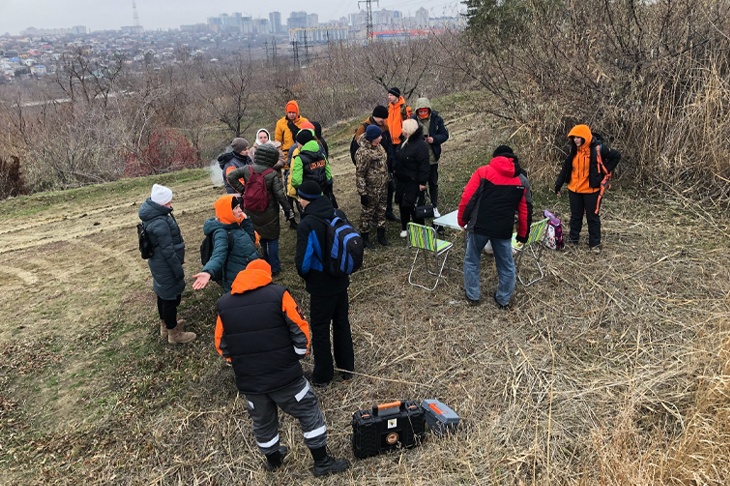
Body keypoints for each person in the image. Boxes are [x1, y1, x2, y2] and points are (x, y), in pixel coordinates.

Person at [214, 259, 350, 477]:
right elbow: (300, 329)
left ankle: (273, 460)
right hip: (285, 377)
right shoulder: (278, 295)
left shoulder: (223, 304)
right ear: (267, 275)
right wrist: (296, 357)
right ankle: (322, 462)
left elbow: (221, 345)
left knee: (263, 422)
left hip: (251, 382)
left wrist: (241, 363)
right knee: (308, 412)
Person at [295, 180, 355, 387]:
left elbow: (303, 263)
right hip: (341, 278)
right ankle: (347, 368)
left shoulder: (307, 224)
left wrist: (309, 276)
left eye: (299, 197)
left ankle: (323, 375)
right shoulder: (337, 213)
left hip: (321, 286)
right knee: (341, 323)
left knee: (320, 329)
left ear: (305, 200)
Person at [457, 148, 530, 309]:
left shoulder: (483, 172)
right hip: (503, 229)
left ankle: (473, 295)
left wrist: (462, 220)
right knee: (506, 265)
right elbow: (525, 210)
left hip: (480, 225)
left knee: (472, 260)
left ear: (495, 157)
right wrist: (522, 234)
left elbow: (467, 197)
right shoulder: (521, 180)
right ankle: (503, 299)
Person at [138, 184, 196, 344]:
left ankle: (165, 326)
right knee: (170, 298)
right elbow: (168, 250)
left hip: (158, 264)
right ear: (161, 203)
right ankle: (174, 334)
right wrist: (178, 269)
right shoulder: (160, 223)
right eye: (168, 203)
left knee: (163, 294)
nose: (170, 205)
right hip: (166, 264)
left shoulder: (153, 215)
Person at [226, 143, 293, 276]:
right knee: (273, 239)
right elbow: (280, 195)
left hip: (250, 209)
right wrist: (288, 210)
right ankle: (274, 267)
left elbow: (231, 176)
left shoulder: (247, 169)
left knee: (259, 237)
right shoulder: (272, 173)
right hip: (269, 211)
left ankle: (264, 261)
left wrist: (243, 190)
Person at [554, 124, 621, 253]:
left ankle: (594, 244)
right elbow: (566, 169)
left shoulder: (598, 149)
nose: (576, 140)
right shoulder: (572, 150)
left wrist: (604, 171)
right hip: (574, 189)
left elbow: (616, 156)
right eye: (574, 137)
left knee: (593, 217)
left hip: (592, 190)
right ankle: (573, 240)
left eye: (579, 137)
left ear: (585, 137)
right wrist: (558, 184)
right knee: (575, 216)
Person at [192, 195, 260, 293]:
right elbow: (218, 254)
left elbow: (251, 241)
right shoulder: (222, 233)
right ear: (227, 211)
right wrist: (208, 271)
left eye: (240, 207)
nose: (240, 210)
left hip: (250, 273)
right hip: (237, 278)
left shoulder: (236, 224)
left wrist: (246, 222)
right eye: (236, 208)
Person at [350, 105, 398, 221]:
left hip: (385, 163)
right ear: (375, 117)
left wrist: (391, 158)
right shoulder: (363, 128)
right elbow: (356, 149)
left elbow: (389, 143)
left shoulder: (384, 126)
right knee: (373, 193)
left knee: (388, 189)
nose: (383, 121)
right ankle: (372, 217)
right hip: (371, 167)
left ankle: (388, 211)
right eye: (382, 119)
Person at [411, 97, 449, 218]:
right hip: (418, 160)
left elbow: (444, 134)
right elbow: (405, 137)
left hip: (432, 158)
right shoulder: (412, 121)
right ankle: (420, 206)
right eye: (420, 111)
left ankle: (434, 205)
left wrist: (434, 139)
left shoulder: (436, 119)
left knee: (433, 183)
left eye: (425, 111)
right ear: (417, 111)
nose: (422, 113)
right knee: (420, 184)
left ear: (429, 110)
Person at [275, 100, 309, 228]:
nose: (291, 115)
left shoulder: (304, 122)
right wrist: (282, 159)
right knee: (289, 186)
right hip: (287, 159)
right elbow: (278, 142)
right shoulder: (281, 123)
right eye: (289, 112)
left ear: (297, 112)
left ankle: (303, 207)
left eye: (293, 112)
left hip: (301, 155)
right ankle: (291, 212)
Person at [393, 118, 430, 238]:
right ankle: (405, 228)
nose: (401, 130)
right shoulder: (404, 141)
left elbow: (424, 165)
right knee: (403, 205)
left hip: (414, 181)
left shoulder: (421, 145)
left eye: (403, 128)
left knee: (414, 207)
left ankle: (420, 230)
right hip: (402, 180)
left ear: (408, 130)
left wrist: (422, 182)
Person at [355, 124, 389, 248]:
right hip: (371, 189)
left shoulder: (379, 147)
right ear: (372, 138)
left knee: (382, 211)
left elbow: (384, 164)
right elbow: (360, 174)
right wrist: (363, 193)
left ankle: (381, 235)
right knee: (367, 213)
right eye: (378, 136)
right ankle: (364, 237)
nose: (381, 137)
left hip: (383, 186)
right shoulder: (363, 153)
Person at [290, 128, 334, 209]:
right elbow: (328, 173)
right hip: (323, 192)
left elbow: (296, 181)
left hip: (308, 195)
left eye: (298, 142)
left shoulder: (299, 158)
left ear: (302, 143)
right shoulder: (321, 154)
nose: (297, 145)